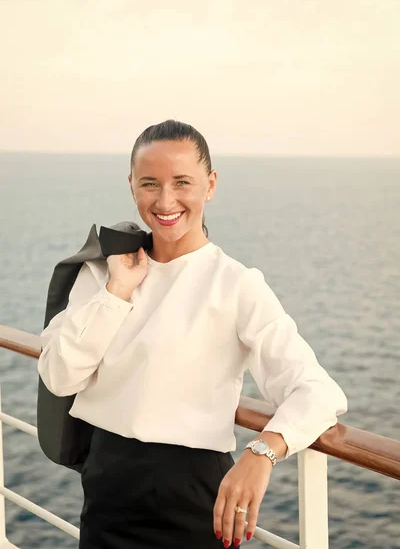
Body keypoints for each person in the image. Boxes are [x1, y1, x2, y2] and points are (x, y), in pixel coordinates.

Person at [38, 119, 348, 549]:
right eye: (150, 184)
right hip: (106, 493)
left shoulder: (236, 284)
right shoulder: (103, 272)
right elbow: (58, 376)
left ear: (210, 185)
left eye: (182, 182)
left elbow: (318, 391)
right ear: (131, 186)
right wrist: (118, 292)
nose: (166, 201)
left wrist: (262, 453)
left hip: (195, 502)